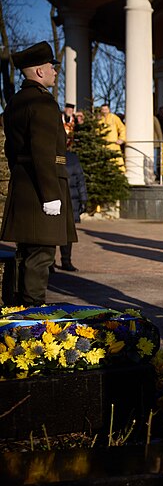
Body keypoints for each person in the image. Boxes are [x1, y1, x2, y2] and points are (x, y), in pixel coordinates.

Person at [1, 41, 77, 305]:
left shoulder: (15, 102)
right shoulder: (43, 103)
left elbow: (11, 150)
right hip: (44, 187)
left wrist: (22, 176)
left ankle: (16, 310)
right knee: (41, 254)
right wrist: (50, 195)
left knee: (25, 252)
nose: (55, 71)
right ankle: (32, 315)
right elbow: (43, 152)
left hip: (24, 185)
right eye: (51, 67)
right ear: (39, 72)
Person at [53, 151, 88, 272]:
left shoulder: (72, 157)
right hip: (55, 198)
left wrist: (83, 199)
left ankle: (66, 261)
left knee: (68, 233)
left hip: (71, 200)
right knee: (52, 231)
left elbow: (80, 178)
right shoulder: (50, 153)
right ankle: (49, 263)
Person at [98, 103, 126, 172]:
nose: (104, 111)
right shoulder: (99, 120)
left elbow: (122, 128)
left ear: (109, 110)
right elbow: (96, 131)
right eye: (103, 109)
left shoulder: (114, 118)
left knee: (117, 163)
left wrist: (121, 139)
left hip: (114, 145)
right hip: (102, 145)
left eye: (106, 109)